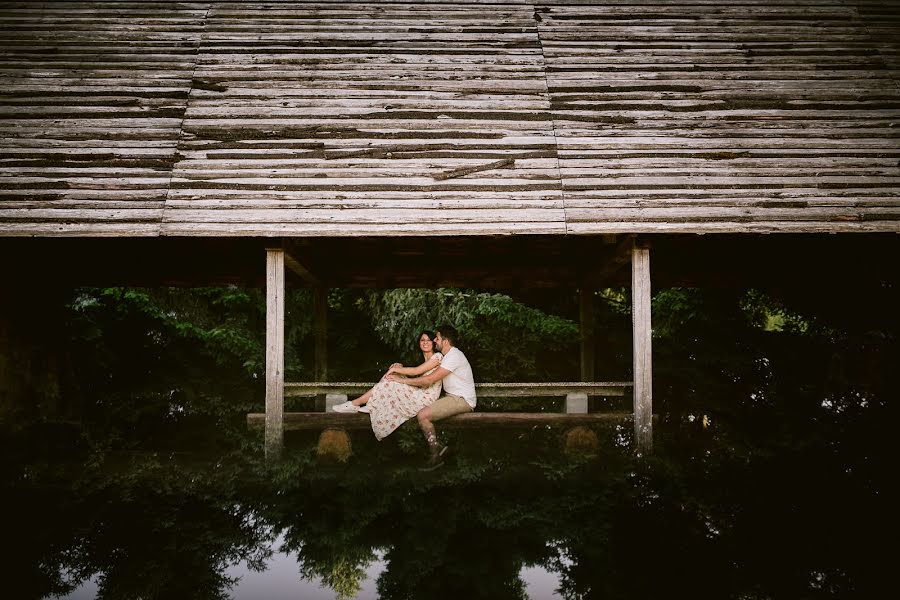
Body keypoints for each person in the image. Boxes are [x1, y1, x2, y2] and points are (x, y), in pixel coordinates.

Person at [384, 324, 476, 470]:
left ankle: (436, 456)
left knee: (423, 415)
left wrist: (401, 380)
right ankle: (439, 448)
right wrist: (400, 370)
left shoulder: (454, 356)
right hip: (453, 397)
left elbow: (428, 380)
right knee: (416, 409)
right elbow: (421, 373)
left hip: (462, 400)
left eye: (437, 338)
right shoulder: (448, 356)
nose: (435, 341)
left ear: (445, 341)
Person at [331, 330, 440, 414]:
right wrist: (398, 368)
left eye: (428, 340)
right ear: (419, 343)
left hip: (425, 399)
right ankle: (368, 404)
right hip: (418, 393)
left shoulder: (437, 357)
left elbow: (416, 371)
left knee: (392, 377)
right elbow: (414, 373)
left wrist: (395, 369)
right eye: (422, 340)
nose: (425, 342)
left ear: (433, 343)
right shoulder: (422, 360)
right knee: (393, 375)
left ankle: (356, 404)